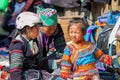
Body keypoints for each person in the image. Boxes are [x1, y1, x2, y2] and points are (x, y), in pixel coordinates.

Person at [9, 12, 42, 80]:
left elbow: (38, 61)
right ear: (28, 29)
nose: (38, 31)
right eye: (36, 28)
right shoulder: (18, 45)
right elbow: (16, 70)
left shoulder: (32, 42)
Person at [36, 8, 66, 73]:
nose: (51, 31)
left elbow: (61, 47)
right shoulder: (34, 33)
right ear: (40, 26)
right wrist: (53, 63)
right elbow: (34, 59)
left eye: (54, 28)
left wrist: (62, 58)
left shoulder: (57, 28)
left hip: (44, 57)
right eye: (48, 28)